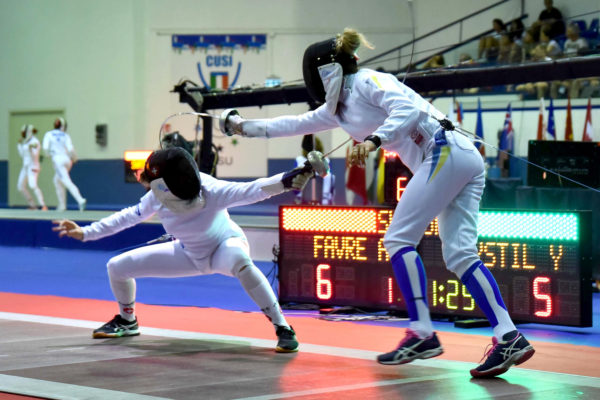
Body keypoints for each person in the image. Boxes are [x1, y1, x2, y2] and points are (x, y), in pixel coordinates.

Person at [225, 28, 535, 378]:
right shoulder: (336, 111)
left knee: (397, 238)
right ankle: (509, 336)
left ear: (325, 72)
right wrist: (240, 127)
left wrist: (374, 141)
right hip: (459, 159)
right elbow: (291, 124)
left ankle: (422, 332)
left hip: (445, 150)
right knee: (460, 255)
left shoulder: (368, 81)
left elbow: (405, 106)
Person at [52, 147, 313, 352]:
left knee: (241, 262)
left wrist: (287, 180)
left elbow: (252, 189)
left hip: (224, 246)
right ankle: (127, 321)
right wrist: (86, 232)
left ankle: (283, 327)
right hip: (189, 254)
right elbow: (128, 216)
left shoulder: (211, 189)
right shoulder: (156, 196)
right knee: (117, 267)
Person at [42, 118, 87, 211]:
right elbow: (71, 149)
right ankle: (62, 205)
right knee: (57, 180)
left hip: (58, 161)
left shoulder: (49, 134)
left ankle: (80, 200)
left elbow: (45, 148)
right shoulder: (66, 136)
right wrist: (74, 159)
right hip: (67, 160)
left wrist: (48, 154)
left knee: (66, 181)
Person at [295, 134, 334, 205]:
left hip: (319, 198)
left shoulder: (325, 160)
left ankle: (325, 198)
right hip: (304, 195)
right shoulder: (299, 160)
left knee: (330, 176)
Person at [17, 124, 47, 211]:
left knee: (33, 185)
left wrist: (30, 149)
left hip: (33, 166)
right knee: (20, 186)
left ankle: (43, 205)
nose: (22, 134)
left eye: (23, 132)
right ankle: (32, 205)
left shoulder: (35, 142)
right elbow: (22, 155)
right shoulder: (24, 142)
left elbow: (35, 155)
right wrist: (19, 146)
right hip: (25, 167)